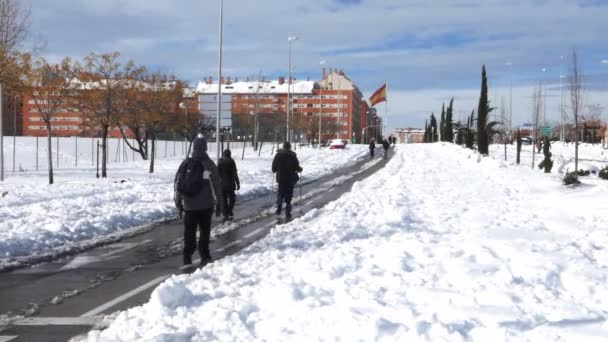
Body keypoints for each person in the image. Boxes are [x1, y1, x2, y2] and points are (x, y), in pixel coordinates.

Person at [174, 134, 223, 268]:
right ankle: (205, 256)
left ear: (194, 147)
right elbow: (217, 185)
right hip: (205, 206)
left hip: (189, 206)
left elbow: (179, 184)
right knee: (204, 232)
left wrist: (178, 203)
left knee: (189, 232)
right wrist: (220, 203)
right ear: (205, 148)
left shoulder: (185, 163)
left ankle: (187, 256)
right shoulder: (209, 165)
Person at [271, 141, 302, 219]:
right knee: (289, 193)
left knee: (280, 192)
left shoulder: (278, 155)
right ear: (290, 147)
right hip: (290, 178)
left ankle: (279, 206)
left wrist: (276, 170)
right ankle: (288, 211)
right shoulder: (293, 155)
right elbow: (296, 166)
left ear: (283, 147)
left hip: (281, 178)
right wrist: (299, 169)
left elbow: (274, 168)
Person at [218, 149, 240, 222]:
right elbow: (235, 173)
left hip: (222, 185)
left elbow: (217, 174)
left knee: (224, 199)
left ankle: (225, 213)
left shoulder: (220, 162)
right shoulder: (232, 162)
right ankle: (229, 210)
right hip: (230, 184)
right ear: (230, 154)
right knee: (232, 198)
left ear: (224, 154)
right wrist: (238, 183)